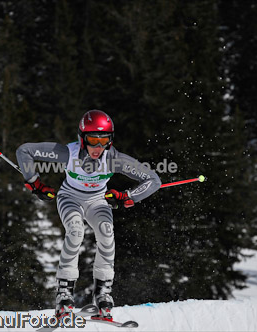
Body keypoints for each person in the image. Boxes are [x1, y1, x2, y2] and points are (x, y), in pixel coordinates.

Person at [16, 110, 161, 319]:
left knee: (106, 233)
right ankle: (64, 293)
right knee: (75, 232)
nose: (98, 147)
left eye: (104, 141)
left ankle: (103, 293)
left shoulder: (114, 160)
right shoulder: (68, 153)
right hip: (70, 197)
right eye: (93, 140)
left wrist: (126, 196)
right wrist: (34, 183)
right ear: (82, 138)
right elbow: (25, 151)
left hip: (97, 200)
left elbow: (153, 180)